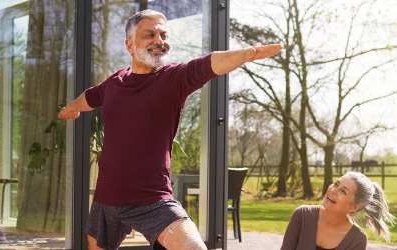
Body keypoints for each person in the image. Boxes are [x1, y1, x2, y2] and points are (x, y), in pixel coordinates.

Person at [58, 9, 282, 250]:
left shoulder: (173, 78)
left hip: (153, 200)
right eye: (150, 35)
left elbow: (209, 63)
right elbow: (90, 97)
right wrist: (71, 108)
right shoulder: (115, 82)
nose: (159, 41)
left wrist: (246, 54)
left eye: (164, 35)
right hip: (107, 198)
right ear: (130, 45)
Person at [280, 172, 396, 250]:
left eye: (344, 192)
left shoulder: (357, 240)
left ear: (355, 207)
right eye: (336, 184)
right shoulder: (302, 215)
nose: (333, 190)